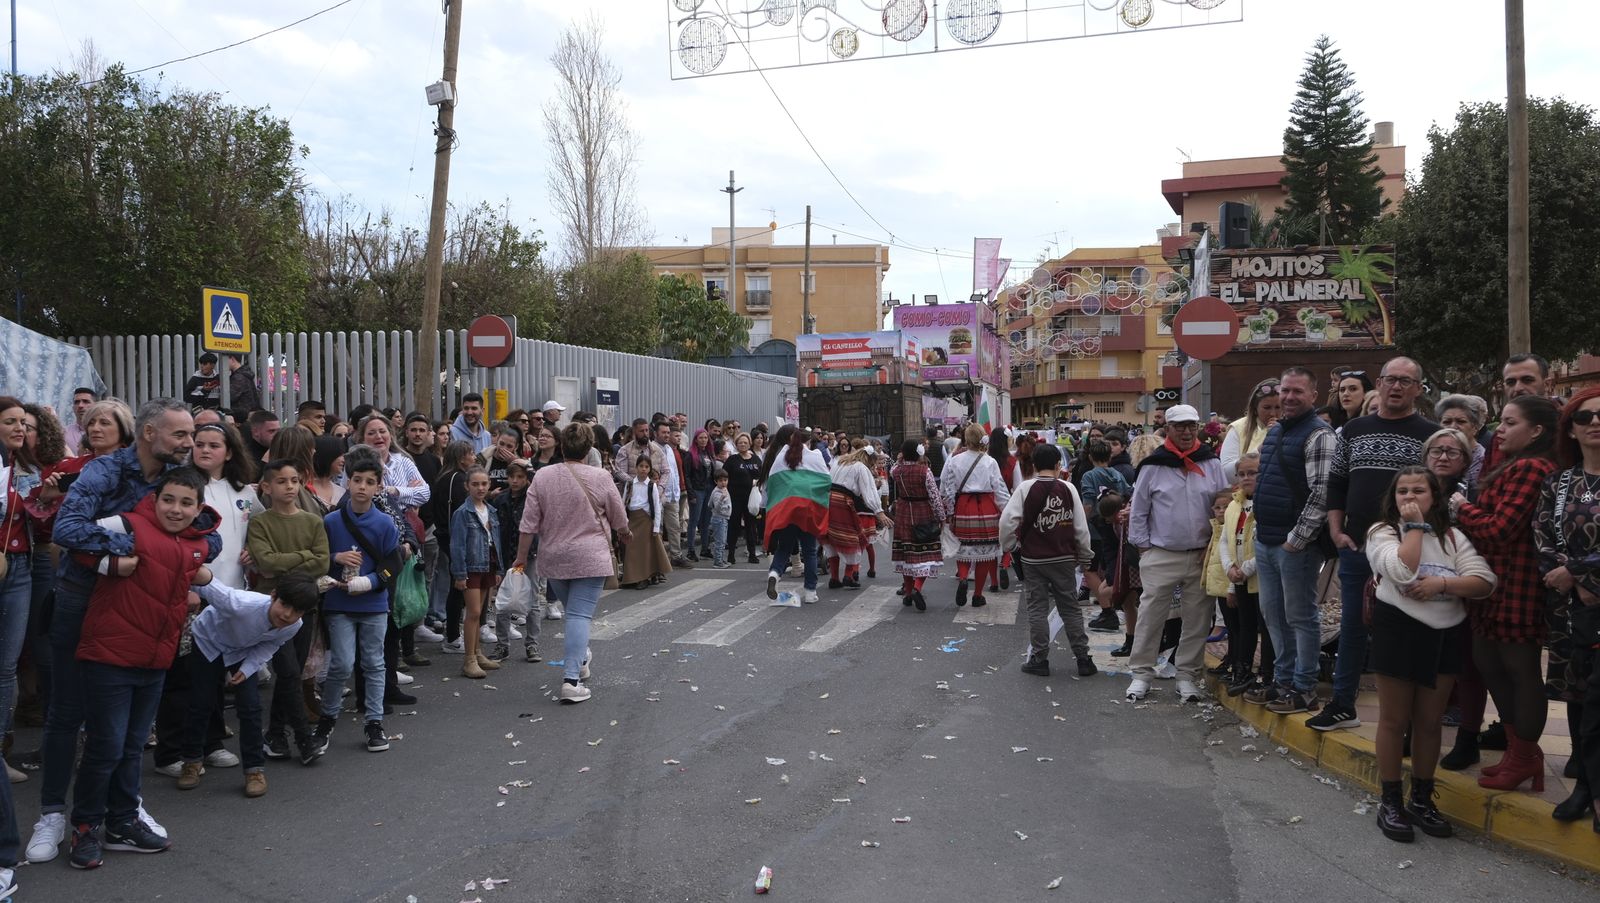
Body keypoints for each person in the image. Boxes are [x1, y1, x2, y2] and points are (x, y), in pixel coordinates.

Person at [27, 399, 216, 865]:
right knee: (67, 713)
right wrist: (131, 545)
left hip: (139, 610)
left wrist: (168, 549)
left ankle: (120, 814)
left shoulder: (178, 479)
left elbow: (209, 534)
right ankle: (53, 813)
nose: (190, 443)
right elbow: (68, 527)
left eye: (192, 436)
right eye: (181, 435)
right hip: (80, 598)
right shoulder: (104, 472)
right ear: (150, 433)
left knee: (127, 729)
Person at [67, 466, 217, 868]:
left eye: (186, 503)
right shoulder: (128, 524)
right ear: (154, 499)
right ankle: (84, 827)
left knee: (132, 747)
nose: (175, 509)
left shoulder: (197, 543)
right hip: (109, 656)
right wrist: (110, 566)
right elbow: (74, 536)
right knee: (106, 747)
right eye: (168, 499)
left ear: (198, 507)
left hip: (155, 659)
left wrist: (205, 570)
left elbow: (198, 561)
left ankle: (121, 823)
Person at [1366, 466, 1496, 843]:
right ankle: (1391, 800)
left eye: (1418, 491)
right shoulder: (1382, 532)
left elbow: (1484, 581)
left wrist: (1442, 582)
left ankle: (1422, 797)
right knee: (1394, 720)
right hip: (1399, 629)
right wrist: (1414, 528)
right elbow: (1401, 570)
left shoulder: (1453, 538)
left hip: (1444, 633)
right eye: (1402, 491)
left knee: (1429, 721)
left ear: (1434, 497)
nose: (1409, 497)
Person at [1315, 357, 1438, 732]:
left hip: (1407, 551)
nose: (1396, 387)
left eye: (1405, 381)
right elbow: (1335, 484)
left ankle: (1406, 717)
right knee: (1353, 626)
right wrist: (1337, 531)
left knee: (1406, 629)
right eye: (1390, 380)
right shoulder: (1354, 429)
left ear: (1418, 388)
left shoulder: (1430, 434)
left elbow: (1439, 492)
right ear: (1379, 385)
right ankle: (1342, 704)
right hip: (1356, 547)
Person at [1453, 395, 1560, 792]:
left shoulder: (1533, 467)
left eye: (1511, 422)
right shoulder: (1511, 465)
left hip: (1517, 582)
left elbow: (1500, 528)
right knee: (1488, 662)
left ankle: (1526, 754)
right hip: (1492, 582)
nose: (1501, 429)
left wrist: (1460, 507)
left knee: (1521, 670)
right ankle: (1519, 752)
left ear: (1536, 431)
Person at [176, 572, 316, 799]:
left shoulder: (293, 625)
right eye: (284, 604)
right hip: (208, 640)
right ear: (273, 596)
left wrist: (248, 669)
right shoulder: (243, 604)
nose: (288, 614)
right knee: (202, 701)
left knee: (251, 708)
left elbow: (270, 645)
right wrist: (198, 570)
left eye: (297, 611)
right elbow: (211, 586)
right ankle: (191, 761)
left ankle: (254, 770)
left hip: (243, 652)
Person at [515, 424, 629, 704]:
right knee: (579, 616)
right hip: (591, 557)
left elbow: (528, 524)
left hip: (553, 557)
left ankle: (581, 658)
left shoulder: (542, 476)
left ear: (562, 446)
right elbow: (618, 518)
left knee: (573, 614)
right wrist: (625, 533)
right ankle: (570, 680)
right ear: (589, 448)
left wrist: (520, 558)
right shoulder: (601, 477)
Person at [1124, 404, 1229, 704]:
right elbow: (1139, 509)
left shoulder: (1210, 463)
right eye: (1179, 426)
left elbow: (1222, 504)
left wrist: (1213, 546)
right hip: (1161, 553)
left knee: (1197, 620)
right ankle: (1141, 674)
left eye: (1191, 426)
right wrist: (1144, 549)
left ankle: (1187, 676)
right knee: (1150, 617)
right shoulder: (1153, 466)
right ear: (1168, 429)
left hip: (1200, 555)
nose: (1186, 432)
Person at [1245, 367, 1336, 716]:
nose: (1289, 397)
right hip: (1267, 539)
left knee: (1300, 616)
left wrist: (1296, 540)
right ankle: (1282, 680)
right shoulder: (1277, 430)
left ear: (1313, 395)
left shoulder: (1319, 435)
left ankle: (1304, 686)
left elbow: (1322, 493)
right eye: (1285, 390)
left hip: (1295, 545)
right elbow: (1265, 481)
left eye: (1298, 391)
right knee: (1274, 615)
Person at [1535, 388, 1600, 831]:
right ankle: (1585, 785)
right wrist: (1570, 579)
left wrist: (1583, 576)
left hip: (1590, 597)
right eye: (1585, 417)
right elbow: (1541, 536)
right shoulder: (1558, 483)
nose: (1595, 423)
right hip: (1570, 609)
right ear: (1572, 430)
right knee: (1578, 693)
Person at [309, 445, 398, 758]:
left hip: (373, 604)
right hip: (339, 603)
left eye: (369, 482)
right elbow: (318, 558)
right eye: (357, 480)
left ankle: (374, 722)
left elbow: (392, 565)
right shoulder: (331, 522)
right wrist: (335, 557)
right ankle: (327, 721)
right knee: (342, 663)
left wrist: (369, 581)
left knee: (374, 663)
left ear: (377, 486)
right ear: (347, 482)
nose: (362, 487)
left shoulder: (385, 523)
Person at [246, 459, 330, 766]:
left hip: (305, 605)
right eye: (282, 481)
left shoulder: (312, 521)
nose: (289, 486)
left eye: (294, 480)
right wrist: (303, 556)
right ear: (267, 487)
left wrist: (291, 561)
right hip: (273, 608)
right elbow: (266, 563)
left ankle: (276, 734)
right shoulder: (260, 523)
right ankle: (304, 739)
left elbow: (321, 563)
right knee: (289, 670)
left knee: (291, 671)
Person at [999, 442, 1095, 678]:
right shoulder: (1068, 488)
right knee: (1070, 607)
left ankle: (1039, 658)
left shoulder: (1025, 488)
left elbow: (1006, 522)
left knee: (1037, 608)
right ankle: (1083, 658)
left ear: (1033, 464)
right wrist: (1085, 555)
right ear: (1057, 465)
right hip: (1063, 557)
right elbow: (1081, 528)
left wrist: (1009, 546)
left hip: (1034, 559)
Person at [1220, 453, 1275, 696]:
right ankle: (1242, 671)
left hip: (1261, 577)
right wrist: (1230, 568)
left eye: (1252, 473)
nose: (1246, 478)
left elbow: (1267, 542)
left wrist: (1247, 569)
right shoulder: (1234, 505)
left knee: (1267, 627)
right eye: (1241, 474)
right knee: (1245, 626)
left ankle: (1268, 673)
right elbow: (1225, 540)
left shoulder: (1267, 501)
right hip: (1239, 576)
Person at [758, 424, 831, 606]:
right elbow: (826, 480)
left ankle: (775, 573)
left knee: (784, 547)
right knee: (810, 550)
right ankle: (810, 592)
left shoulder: (780, 456)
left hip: (787, 507)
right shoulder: (814, 456)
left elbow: (772, 485)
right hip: (808, 507)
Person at [941, 425, 1011, 609]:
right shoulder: (990, 462)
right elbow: (1000, 489)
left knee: (963, 548)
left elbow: (948, 490)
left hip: (964, 507)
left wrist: (949, 513)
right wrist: (1009, 511)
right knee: (986, 554)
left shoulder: (955, 461)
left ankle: (963, 578)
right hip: (987, 507)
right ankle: (978, 595)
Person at [450, 467, 502, 679]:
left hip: (487, 563)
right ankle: (468, 660)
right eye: (475, 484)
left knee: (479, 612)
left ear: (489, 484)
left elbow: (495, 541)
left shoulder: (491, 510)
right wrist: (460, 574)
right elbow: (458, 545)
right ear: (467, 486)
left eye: (484, 484)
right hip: (471, 566)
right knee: (472, 613)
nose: (480, 488)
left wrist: (498, 568)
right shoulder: (463, 513)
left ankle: (477, 653)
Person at [890, 440, 948, 611]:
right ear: (919, 453)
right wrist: (941, 516)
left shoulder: (896, 471)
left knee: (907, 555)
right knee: (925, 556)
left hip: (903, 513)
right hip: (922, 512)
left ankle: (908, 593)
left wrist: (900, 459)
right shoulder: (925, 471)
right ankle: (916, 588)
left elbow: (894, 467)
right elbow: (935, 497)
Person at [492, 459, 540, 662]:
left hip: (529, 554)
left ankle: (532, 644)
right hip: (505, 554)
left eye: (520, 477)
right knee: (503, 600)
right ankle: (502, 645)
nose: (515, 481)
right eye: (512, 477)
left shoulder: (532, 497)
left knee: (533, 599)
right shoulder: (500, 499)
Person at [824, 446, 890, 590]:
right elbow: (869, 491)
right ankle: (848, 575)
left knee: (832, 538)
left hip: (830, 500)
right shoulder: (861, 468)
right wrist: (879, 511)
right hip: (843, 502)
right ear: (869, 460)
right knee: (854, 538)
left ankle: (834, 578)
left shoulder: (840, 462)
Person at [620, 456, 671, 588]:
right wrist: (622, 522)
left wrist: (656, 527)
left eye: (646, 467)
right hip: (633, 519)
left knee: (644, 551)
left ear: (649, 469)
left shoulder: (652, 486)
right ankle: (630, 578)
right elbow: (623, 502)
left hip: (645, 520)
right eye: (641, 466)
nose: (643, 469)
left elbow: (657, 506)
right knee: (631, 550)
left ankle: (644, 578)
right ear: (636, 467)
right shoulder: (630, 484)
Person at [1221, 378, 1282, 481]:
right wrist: (1260, 449)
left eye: (1278, 407)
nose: (1273, 413)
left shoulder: (1292, 427)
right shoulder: (1238, 428)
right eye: (1267, 408)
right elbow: (1226, 472)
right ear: (1254, 409)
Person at [725, 433, 763, 565]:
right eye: (740, 442)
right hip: (735, 496)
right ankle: (730, 554)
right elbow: (725, 476)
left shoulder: (756, 459)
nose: (742, 444)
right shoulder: (732, 460)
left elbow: (762, 475)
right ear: (736, 444)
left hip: (751, 498)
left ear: (749, 444)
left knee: (751, 526)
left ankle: (752, 554)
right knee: (734, 525)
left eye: (745, 442)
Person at [685, 429, 717, 561]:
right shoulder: (690, 454)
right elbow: (687, 475)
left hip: (709, 488)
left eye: (706, 438)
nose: (704, 440)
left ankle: (705, 548)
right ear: (696, 439)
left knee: (706, 520)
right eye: (701, 438)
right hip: (697, 489)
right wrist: (691, 493)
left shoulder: (709, 453)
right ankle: (691, 550)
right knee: (694, 520)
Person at [707, 469, 734, 569]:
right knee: (720, 541)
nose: (723, 483)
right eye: (721, 480)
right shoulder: (718, 493)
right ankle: (718, 562)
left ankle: (720, 559)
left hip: (723, 518)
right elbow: (715, 506)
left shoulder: (723, 490)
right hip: (719, 519)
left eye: (725, 480)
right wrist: (722, 498)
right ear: (716, 481)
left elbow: (709, 504)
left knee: (722, 540)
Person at [63, 387, 97, 455]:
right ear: (73, 407)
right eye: (76, 402)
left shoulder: (102, 432)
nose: (80, 405)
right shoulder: (64, 433)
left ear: (95, 405)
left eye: (86, 401)